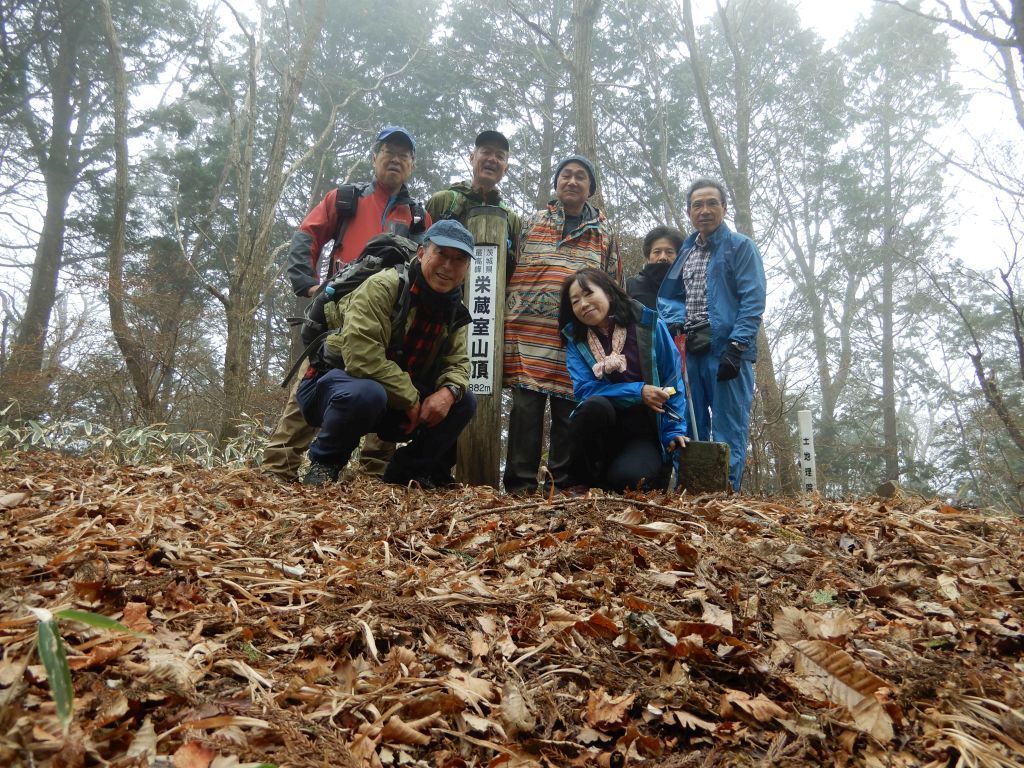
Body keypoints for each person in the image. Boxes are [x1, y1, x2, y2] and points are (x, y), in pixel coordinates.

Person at [262, 126, 431, 481]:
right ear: (374, 157)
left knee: (387, 383)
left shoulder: (418, 217)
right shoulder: (345, 199)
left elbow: (428, 265)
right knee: (314, 380)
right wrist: (308, 286)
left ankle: (372, 474)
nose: (395, 159)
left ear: (412, 165)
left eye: (404, 154)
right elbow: (307, 235)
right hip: (336, 311)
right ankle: (279, 467)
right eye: (388, 151)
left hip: (392, 317)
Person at [357, 129, 523, 479]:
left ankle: (437, 468)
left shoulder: (510, 217)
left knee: (460, 387)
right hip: (425, 309)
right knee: (399, 371)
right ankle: (376, 467)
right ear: (472, 157)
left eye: (500, 156)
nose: (492, 160)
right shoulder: (443, 200)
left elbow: (515, 268)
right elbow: (416, 248)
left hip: (477, 318)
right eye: (486, 152)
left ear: (506, 167)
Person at [295, 220, 477, 487]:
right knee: (366, 392)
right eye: (441, 254)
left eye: (459, 259)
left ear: (467, 267)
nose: (448, 266)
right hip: (332, 387)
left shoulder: (454, 309)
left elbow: (458, 363)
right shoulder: (383, 285)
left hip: (395, 402)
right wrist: (411, 397)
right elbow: (362, 357)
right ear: (422, 253)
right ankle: (326, 464)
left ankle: (405, 475)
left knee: (463, 401)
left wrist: (448, 392)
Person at [503, 154, 621, 494]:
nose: (572, 181)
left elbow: (613, 286)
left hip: (577, 340)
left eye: (580, 177)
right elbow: (508, 266)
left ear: (590, 188)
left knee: (570, 411)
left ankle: (559, 487)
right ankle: (519, 488)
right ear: (556, 183)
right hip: (527, 337)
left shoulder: (603, 235)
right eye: (566, 175)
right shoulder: (529, 223)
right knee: (525, 412)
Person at [657, 179, 766, 492]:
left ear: (724, 208)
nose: (704, 211)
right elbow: (671, 297)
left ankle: (725, 492)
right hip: (691, 348)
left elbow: (752, 298)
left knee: (728, 423)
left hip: (727, 348)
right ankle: (691, 488)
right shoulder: (687, 250)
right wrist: (676, 323)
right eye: (697, 205)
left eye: (711, 203)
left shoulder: (740, 247)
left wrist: (738, 344)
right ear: (689, 211)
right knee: (687, 421)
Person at [559, 268, 689, 492]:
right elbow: (585, 390)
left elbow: (672, 380)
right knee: (592, 407)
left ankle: (617, 475)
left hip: (644, 428)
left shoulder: (648, 326)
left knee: (628, 480)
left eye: (589, 293)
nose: (583, 304)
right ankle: (579, 481)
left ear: (608, 293)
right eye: (575, 301)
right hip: (603, 425)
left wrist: (673, 430)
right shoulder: (576, 340)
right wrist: (638, 392)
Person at [626, 226, 685, 309]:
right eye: (657, 252)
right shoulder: (633, 284)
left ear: (679, 256)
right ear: (648, 257)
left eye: (669, 252)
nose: (663, 257)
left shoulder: (687, 285)